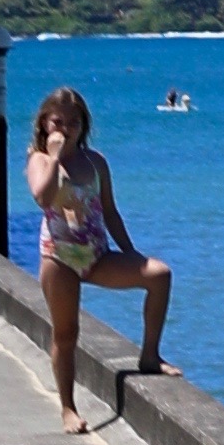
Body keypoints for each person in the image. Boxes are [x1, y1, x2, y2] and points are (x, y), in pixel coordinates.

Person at [23, 84, 173, 427]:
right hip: (59, 258)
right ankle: (68, 408)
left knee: (160, 275)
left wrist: (132, 254)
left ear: (83, 125)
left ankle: (150, 355)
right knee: (66, 333)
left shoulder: (96, 162)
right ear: (45, 123)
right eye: (58, 122)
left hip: (97, 254)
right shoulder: (40, 160)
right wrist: (56, 157)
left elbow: (110, 212)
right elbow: (42, 198)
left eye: (73, 122)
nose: (65, 129)